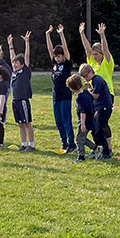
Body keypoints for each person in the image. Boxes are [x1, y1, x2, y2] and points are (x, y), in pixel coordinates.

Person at [46, 24, 76, 154]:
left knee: (66, 121)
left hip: (65, 96)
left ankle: (71, 144)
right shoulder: (54, 64)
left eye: (59, 56)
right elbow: (49, 49)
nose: (57, 58)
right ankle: (64, 143)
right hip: (55, 97)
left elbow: (66, 49)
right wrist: (47, 34)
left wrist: (61, 34)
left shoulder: (67, 63)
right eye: (56, 56)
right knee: (58, 122)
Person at [79, 63, 113, 158]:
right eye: (84, 77)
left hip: (104, 107)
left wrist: (85, 93)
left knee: (98, 129)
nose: (85, 78)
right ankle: (100, 148)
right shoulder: (94, 80)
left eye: (86, 76)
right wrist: (90, 87)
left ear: (91, 72)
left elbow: (96, 95)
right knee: (96, 129)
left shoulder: (97, 80)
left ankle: (105, 151)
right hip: (100, 107)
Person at [8, 31, 35, 151]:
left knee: (27, 123)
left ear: (22, 65)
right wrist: (10, 45)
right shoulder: (14, 72)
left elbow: (27, 56)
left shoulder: (25, 71)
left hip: (23, 100)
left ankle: (31, 145)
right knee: (20, 123)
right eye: (13, 63)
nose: (14, 64)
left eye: (16, 63)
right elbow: (12, 57)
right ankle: (23, 144)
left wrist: (27, 42)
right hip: (15, 101)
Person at [79, 21, 115, 94]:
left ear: (102, 54)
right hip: (93, 93)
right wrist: (82, 34)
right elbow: (87, 48)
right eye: (93, 54)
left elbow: (105, 49)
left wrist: (102, 35)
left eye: (96, 54)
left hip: (106, 93)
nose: (94, 56)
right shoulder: (92, 62)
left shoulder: (107, 62)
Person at [67, 73, 96, 162]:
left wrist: (82, 124)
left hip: (84, 120)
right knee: (82, 137)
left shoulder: (79, 98)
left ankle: (81, 156)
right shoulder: (86, 92)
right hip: (90, 118)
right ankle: (96, 147)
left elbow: (83, 111)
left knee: (79, 139)